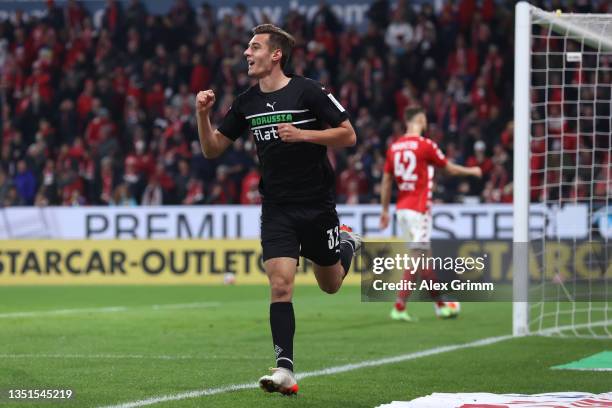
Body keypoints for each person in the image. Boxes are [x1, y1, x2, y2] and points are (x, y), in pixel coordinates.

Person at [195, 24, 361, 396]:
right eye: (247, 48)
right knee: (281, 285)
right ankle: (285, 368)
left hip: (317, 205)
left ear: (276, 55)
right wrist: (202, 116)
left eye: (254, 47)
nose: (246, 54)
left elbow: (349, 135)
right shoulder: (246, 102)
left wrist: (304, 134)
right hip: (277, 208)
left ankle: (348, 243)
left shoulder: (310, 90)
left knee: (330, 285)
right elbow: (212, 149)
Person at [379, 106, 482, 321]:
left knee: (423, 259)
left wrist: (384, 210)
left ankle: (441, 305)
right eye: (424, 120)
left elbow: (387, 181)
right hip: (419, 209)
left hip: (402, 209)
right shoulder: (425, 145)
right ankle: (400, 307)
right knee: (417, 259)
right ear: (419, 120)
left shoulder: (394, 147)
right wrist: (471, 171)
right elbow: (449, 169)